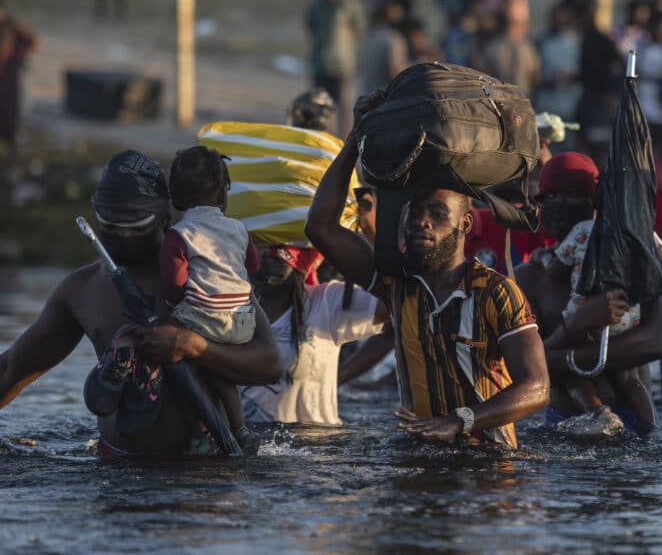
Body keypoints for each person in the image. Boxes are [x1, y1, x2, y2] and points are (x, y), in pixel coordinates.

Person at [305, 92, 549, 448]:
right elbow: (320, 228)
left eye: (437, 215)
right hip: (421, 453)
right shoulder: (397, 282)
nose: (422, 223)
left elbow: (537, 386)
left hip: (489, 462)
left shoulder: (496, 292)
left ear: (465, 224)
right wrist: (354, 139)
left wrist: (459, 421)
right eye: (416, 212)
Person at [0, 150, 281, 456]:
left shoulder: (214, 276)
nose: (123, 236)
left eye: (136, 227)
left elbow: (269, 363)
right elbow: (11, 369)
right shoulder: (80, 291)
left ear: (163, 219)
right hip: (117, 478)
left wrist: (196, 348)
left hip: (204, 483)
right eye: (111, 226)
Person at [514, 152, 662, 434]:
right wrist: (578, 322)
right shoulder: (529, 277)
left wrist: (565, 357)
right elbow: (527, 366)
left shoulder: (635, 259)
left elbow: (656, 341)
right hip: (569, 423)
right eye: (553, 196)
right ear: (540, 204)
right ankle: (598, 410)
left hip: (637, 418)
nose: (561, 204)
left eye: (572, 194)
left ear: (595, 202)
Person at [156, 146, 263, 453]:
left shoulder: (178, 235)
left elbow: (174, 285)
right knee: (221, 370)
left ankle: (200, 433)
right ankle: (240, 429)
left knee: (175, 349)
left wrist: (172, 307)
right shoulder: (239, 229)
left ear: (175, 195)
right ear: (221, 192)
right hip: (242, 322)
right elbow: (253, 267)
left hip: (203, 320)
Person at [241, 245, 388, 425]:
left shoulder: (326, 302)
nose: (266, 256)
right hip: (247, 444)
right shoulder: (233, 305)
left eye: (276, 250)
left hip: (314, 446)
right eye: (260, 247)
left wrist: (370, 231)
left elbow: (395, 304)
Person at [306, 0, 365, 137]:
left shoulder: (348, 3)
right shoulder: (315, 5)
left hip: (342, 65)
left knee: (345, 109)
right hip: (320, 64)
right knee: (320, 108)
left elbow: (358, 28)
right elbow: (311, 27)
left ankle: (345, 146)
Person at [0, 0, 38, 164]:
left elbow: (33, 42)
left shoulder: (13, 26)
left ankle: (13, 164)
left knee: (10, 117)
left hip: (9, 79)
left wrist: (18, 56)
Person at [359, 2, 408, 96]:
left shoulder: (369, 37)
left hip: (368, 96)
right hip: (387, 98)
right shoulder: (394, 39)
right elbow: (394, 71)